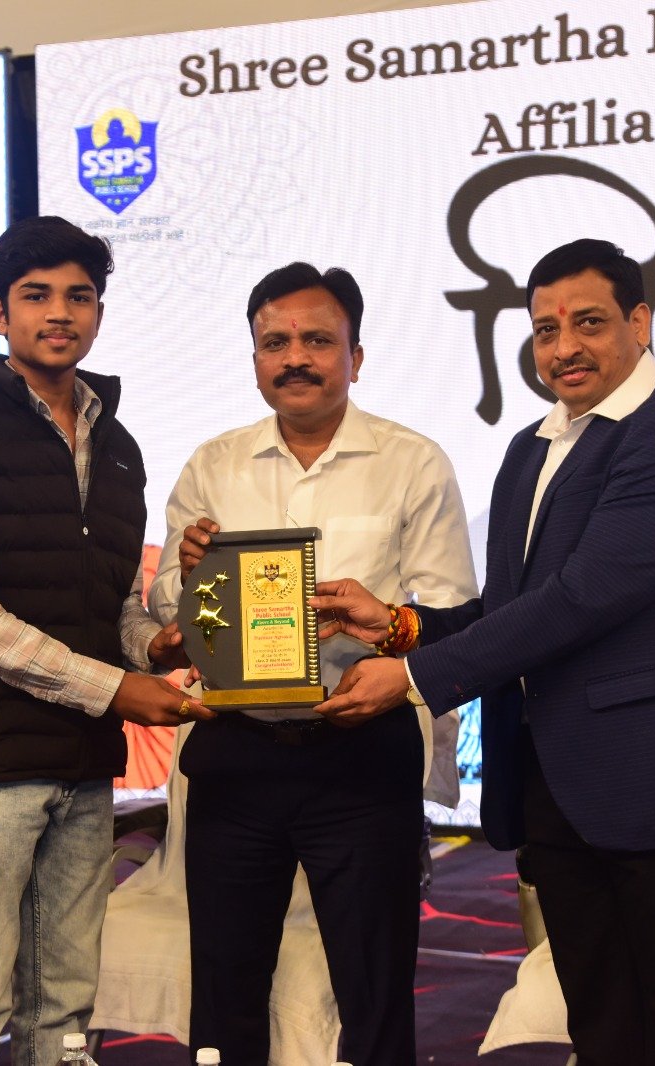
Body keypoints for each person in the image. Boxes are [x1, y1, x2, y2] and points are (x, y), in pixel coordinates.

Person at [313, 239, 655, 1065]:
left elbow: (582, 599)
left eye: (589, 323)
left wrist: (414, 677)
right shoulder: (534, 445)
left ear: (640, 323)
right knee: (597, 1021)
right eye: (545, 330)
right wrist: (398, 624)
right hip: (556, 781)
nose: (564, 348)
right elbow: (517, 609)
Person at [149, 262, 478, 1065]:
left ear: (355, 357)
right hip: (237, 757)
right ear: (255, 358)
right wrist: (190, 583)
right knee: (225, 998)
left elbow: (456, 622)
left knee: (374, 997)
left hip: (361, 757)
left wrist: (387, 626)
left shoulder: (413, 462)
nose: (295, 357)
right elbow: (167, 617)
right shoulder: (212, 465)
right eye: (275, 343)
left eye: (318, 341)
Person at [0, 215, 211, 1066]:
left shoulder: (118, 445)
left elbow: (111, 605)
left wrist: (157, 647)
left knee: (67, 1004)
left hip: (82, 761)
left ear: (99, 313)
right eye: (36, 296)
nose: (60, 314)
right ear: (0, 313)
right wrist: (117, 689)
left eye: (79, 297)